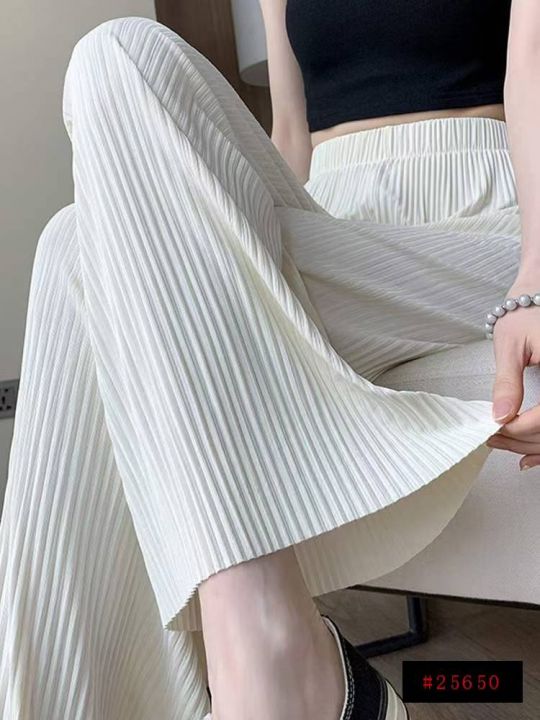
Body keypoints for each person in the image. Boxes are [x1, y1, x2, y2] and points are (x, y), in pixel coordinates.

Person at [0, 1, 539, 719]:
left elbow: (532, 71)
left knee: (101, 122)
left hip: (478, 221)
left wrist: (536, 276)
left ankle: (273, 670)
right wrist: (243, 260)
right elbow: (289, 134)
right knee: (84, 207)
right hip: (332, 227)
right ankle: (273, 669)